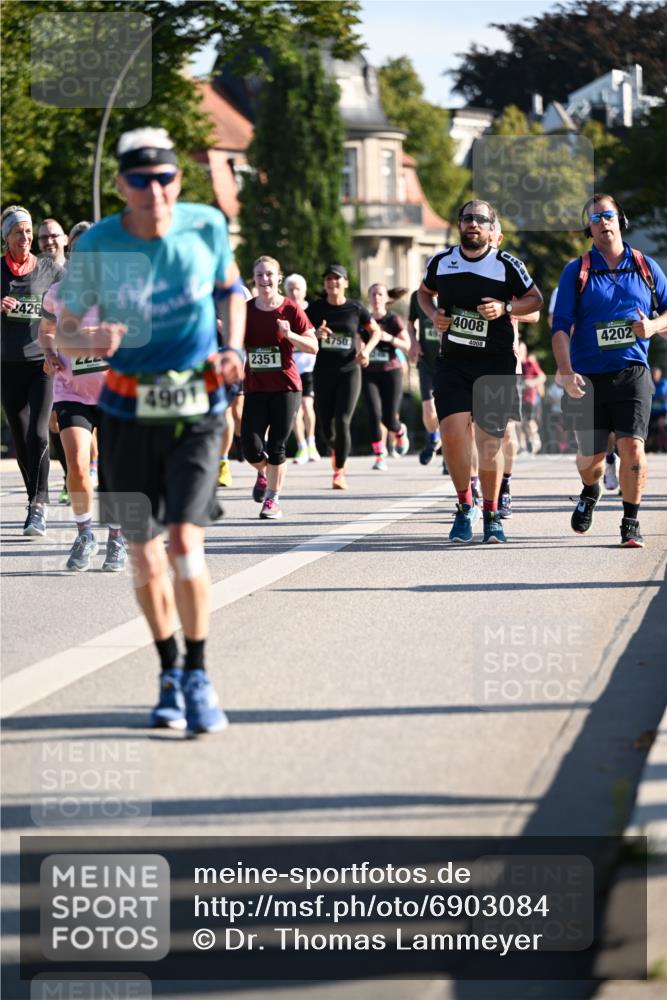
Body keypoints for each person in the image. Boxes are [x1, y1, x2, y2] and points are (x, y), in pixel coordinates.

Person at [55, 127, 247, 734]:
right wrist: (89, 339)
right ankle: (168, 670)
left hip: (195, 408)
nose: (155, 191)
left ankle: (198, 672)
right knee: (142, 553)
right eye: (141, 180)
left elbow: (231, 290)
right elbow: (58, 329)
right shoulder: (100, 247)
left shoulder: (206, 226)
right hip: (126, 412)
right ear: (121, 186)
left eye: (164, 178)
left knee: (185, 542)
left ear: (178, 182)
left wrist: (232, 348)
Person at [418, 200, 543, 543]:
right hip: (453, 362)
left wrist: (505, 307)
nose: (473, 223)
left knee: (489, 444)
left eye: (481, 219)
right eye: (467, 218)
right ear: (460, 224)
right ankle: (463, 506)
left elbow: (535, 300)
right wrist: (433, 315)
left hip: (495, 363)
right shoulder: (442, 262)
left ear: (492, 229)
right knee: (454, 434)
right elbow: (424, 293)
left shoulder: (506, 265)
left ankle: (491, 514)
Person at [552, 192, 667, 547]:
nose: (603, 222)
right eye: (595, 218)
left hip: (632, 372)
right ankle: (591, 489)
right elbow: (559, 326)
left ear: (620, 220)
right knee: (592, 459)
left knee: (633, 448)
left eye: (608, 215)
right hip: (588, 379)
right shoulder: (578, 270)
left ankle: (630, 522)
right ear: (589, 227)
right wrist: (566, 371)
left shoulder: (646, 267)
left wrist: (652, 327)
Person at [39, 221, 127, 572]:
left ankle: (117, 537)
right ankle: (85, 532)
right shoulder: (57, 294)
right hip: (70, 389)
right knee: (76, 463)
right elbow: (46, 330)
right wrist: (49, 351)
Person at [1, 205, 64, 536]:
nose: (25, 237)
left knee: (39, 432)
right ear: (6, 238)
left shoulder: (49, 270)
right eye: (17, 232)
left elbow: (76, 300)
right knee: (22, 438)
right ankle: (33, 499)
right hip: (7, 364)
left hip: (42, 362)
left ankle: (38, 505)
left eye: (27, 231)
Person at [241, 256, 317, 519]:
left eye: (270, 274)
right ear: (254, 279)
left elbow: (314, 346)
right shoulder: (246, 310)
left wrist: (289, 335)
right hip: (255, 386)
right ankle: (264, 473)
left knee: (277, 446)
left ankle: (272, 500)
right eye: (260, 275)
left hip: (286, 387)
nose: (265, 280)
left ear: (279, 278)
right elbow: (235, 343)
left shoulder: (291, 309)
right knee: (249, 447)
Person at [307, 264, 382, 490]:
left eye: (337, 279)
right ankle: (336, 451)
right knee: (326, 429)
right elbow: (302, 331)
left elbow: (376, 331)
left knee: (343, 421)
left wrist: (366, 351)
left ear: (346, 282)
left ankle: (339, 471)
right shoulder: (316, 309)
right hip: (323, 372)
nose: (333, 283)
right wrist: (315, 333)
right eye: (328, 279)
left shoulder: (356, 309)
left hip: (350, 371)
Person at [362, 283, 411, 470]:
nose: (376, 298)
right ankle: (380, 455)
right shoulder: (364, 320)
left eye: (380, 294)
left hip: (391, 371)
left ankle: (399, 430)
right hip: (369, 373)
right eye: (373, 294)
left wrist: (388, 338)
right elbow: (358, 343)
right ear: (369, 297)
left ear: (386, 298)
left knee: (389, 418)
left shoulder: (393, 320)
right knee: (374, 414)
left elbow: (407, 345)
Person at [285, 273, 320, 464]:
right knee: (294, 411)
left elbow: (313, 341)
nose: (294, 292)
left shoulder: (312, 310)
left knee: (307, 406)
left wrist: (300, 343)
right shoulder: (284, 310)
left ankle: (312, 443)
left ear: (304, 291)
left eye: (297, 288)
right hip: (290, 367)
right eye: (290, 289)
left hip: (309, 367)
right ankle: (301, 447)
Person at [408, 288, 442, 466]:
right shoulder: (418, 296)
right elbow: (410, 323)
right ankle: (433, 438)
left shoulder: (453, 292)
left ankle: (448, 454)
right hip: (426, 362)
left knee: (449, 410)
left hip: (449, 363)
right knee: (429, 411)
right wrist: (413, 343)